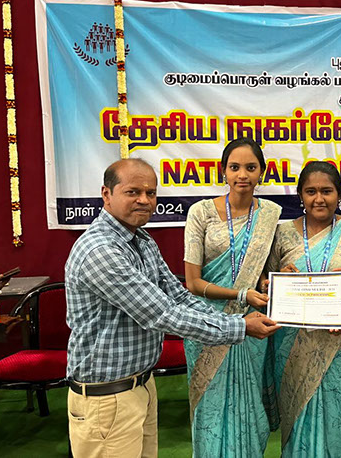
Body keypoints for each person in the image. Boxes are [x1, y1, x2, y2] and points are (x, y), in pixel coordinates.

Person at [65, 158, 279, 458]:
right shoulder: (100, 250)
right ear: (106, 194)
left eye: (150, 193)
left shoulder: (141, 240)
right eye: (132, 192)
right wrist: (241, 326)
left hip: (140, 385)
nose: (144, 200)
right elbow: (162, 313)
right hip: (107, 398)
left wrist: (235, 319)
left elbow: (178, 296)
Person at [266, 161, 341, 458]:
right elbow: (266, 282)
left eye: (326, 191)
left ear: (339, 195)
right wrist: (277, 277)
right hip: (293, 342)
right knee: (297, 415)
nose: (318, 199)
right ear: (300, 195)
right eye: (311, 192)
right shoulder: (281, 234)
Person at [183, 138, 281, 457]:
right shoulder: (200, 213)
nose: (242, 175)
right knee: (210, 406)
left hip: (252, 326)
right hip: (208, 324)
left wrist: (269, 282)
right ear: (223, 171)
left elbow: (263, 272)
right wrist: (240, 293)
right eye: (235, 167)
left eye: (251, 168)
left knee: (249, 406)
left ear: (262, 172)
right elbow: (193, 282)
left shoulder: (269, 214)